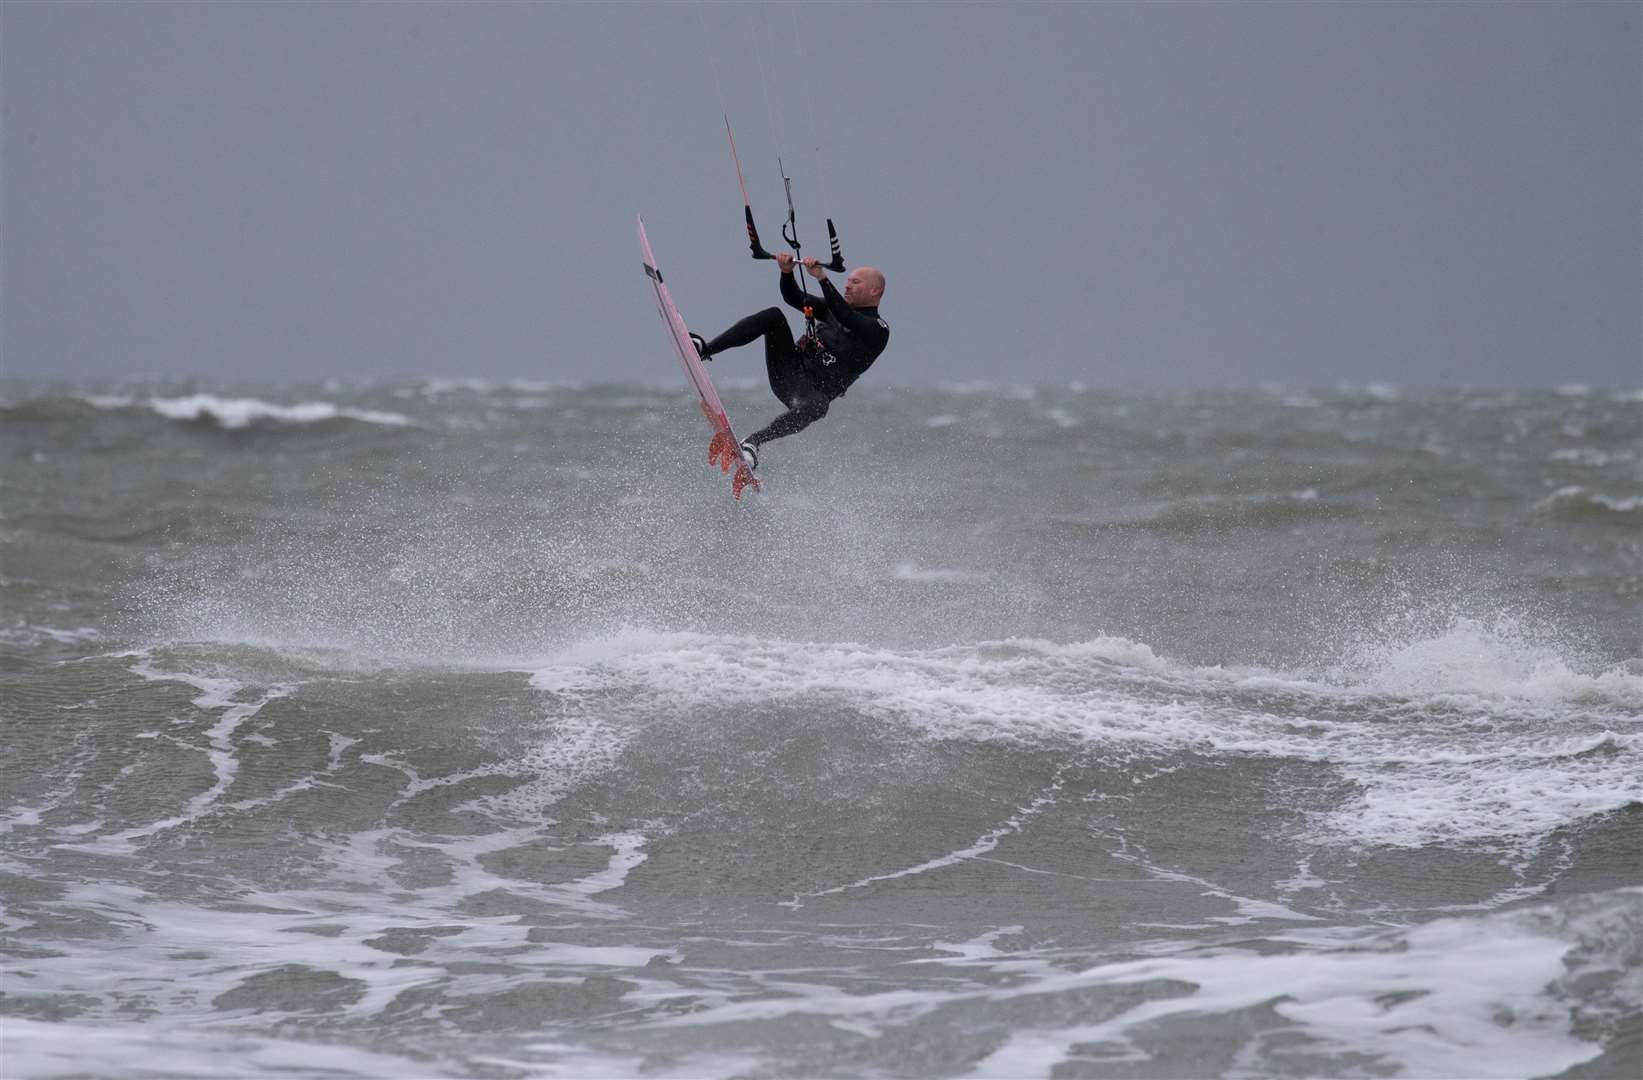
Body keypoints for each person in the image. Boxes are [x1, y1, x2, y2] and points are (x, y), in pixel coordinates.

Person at [690, 253, 887, 468]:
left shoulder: (878, 329)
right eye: (847, 281)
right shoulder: (833, 309)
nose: (847, 286)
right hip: (788, 372)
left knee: (819, 406)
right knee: (773, 316)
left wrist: (822, 278)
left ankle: (752, 443)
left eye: (855, 282)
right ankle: (705, 349)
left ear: (874, 291)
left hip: (810, 395)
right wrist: (786, 271)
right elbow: (793, 297)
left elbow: (846, 317)